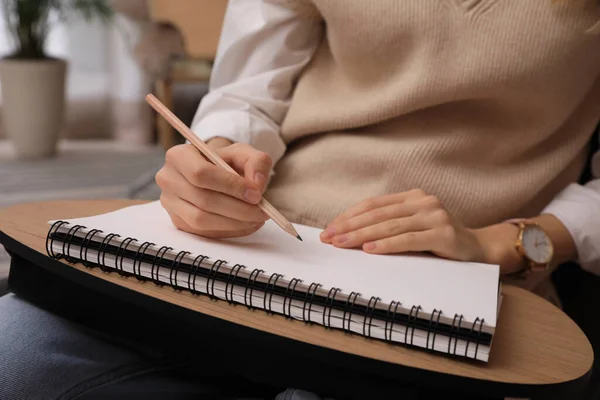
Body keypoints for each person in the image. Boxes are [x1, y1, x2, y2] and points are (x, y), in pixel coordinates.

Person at [1, 0, 600, 399]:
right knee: (13, 357)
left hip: (459, 275)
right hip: (263, 241)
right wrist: (219, 151)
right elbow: (250, 91)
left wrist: (518, 239)